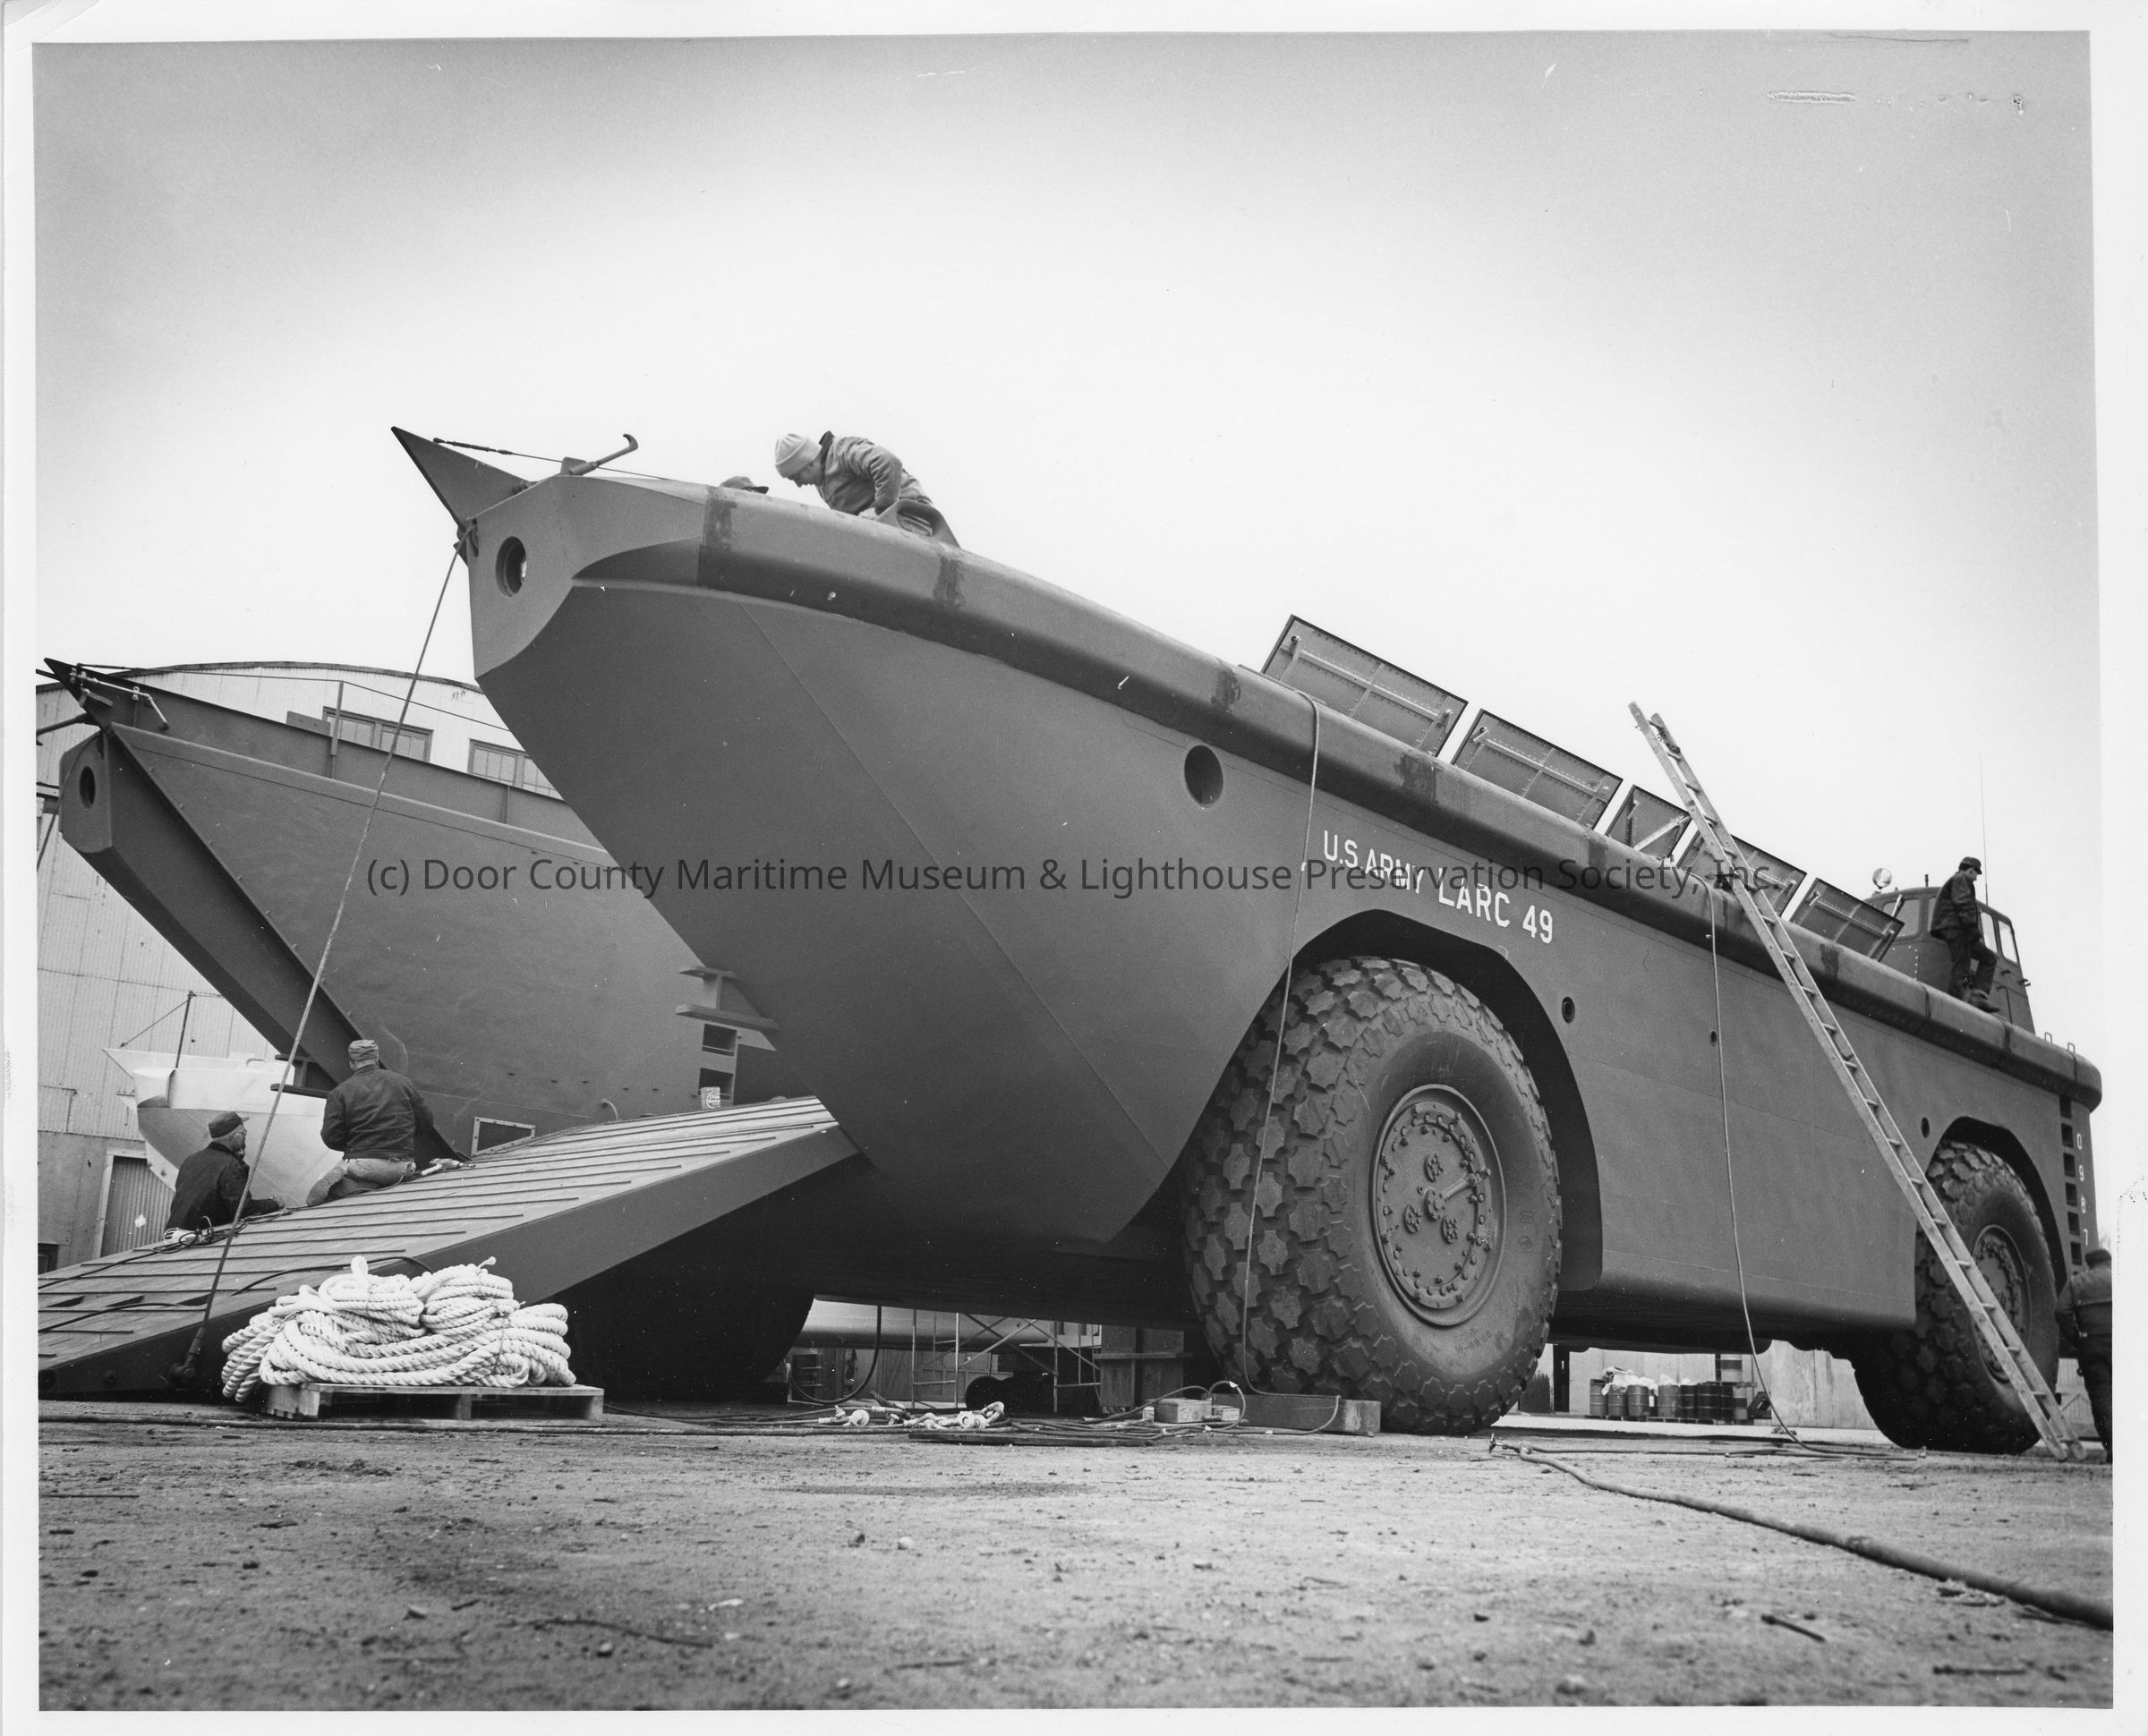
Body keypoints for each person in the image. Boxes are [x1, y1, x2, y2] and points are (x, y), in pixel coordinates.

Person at [310, 1039, 440, 1204]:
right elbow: (426, 1122)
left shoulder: (340, 1092)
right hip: (403, 1166)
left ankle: (353, 1185)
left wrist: (355, 1147)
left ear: (351, 1063)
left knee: (327, 1178)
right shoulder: (403, 1082)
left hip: (363, 1165)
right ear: (376, 1059)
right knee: (381, 1174)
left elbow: (331, 1137)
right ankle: (374, 1182)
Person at [772, 431, 959, 546]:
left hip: (908, 517)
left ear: (808, 464)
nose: (799, 484)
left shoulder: (842, 451)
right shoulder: (822, 483)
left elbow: (887, 462)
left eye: (796, 477)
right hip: (882, 530)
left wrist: (881, 509)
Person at [164, 1112, 279, 1236]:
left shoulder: (191, 1160)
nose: (245, 1135)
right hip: (198, 1237)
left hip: (173, 1235)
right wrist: (274, 1203)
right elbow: (243, 1209)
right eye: (243, 1133)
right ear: (234, 1136)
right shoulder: (230, 1164)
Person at [2057, 1246, 2113, 1463]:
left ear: (2089, 1265)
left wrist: (2078, 1339)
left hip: (2092, 1346)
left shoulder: (2076, 1282)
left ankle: (2114, 1449)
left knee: (2101, 1398)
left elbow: (2061, 1311)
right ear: (2109, 1263)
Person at [1930, 855, 1995, 1004]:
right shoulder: (1961, 879)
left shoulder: (1958, 880)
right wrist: (1973, 929)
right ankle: (1958, 997)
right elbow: (1963, 904)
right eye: (1976, 874)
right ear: (1971, 871)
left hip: (1959, 929)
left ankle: (1978, 995)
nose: (1976, 878)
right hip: (1956, 928)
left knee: (1988, 959)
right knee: (1962, 965)